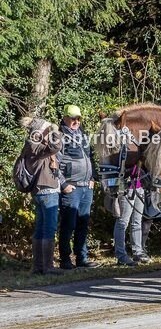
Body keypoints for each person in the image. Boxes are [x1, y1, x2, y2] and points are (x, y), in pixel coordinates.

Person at [20, 117, 64, 275]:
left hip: (39, 192)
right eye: (45, 131)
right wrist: (55, 131)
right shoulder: (35, 146)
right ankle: (47, 267)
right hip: (47, 191)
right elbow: (56, 146)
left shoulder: (31, 146)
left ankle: (38, 266)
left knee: (40, 228)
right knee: (49, 229)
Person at [57, 105, 98, 269]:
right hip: (71, 187)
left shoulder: (83, 135)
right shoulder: (59, 136)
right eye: (73, 118)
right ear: (65, 118)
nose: (76, 121)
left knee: (83, 223)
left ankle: (82, 258)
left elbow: (91, 158)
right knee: (68, 225)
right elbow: (54, 164)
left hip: (86, 187)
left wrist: (93, 178)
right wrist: (64, 184)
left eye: (78, 118)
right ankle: (65, 259)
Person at [112, 163, 146, 266]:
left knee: (137, 220)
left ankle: (138, 252)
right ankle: (121, 255)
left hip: (140, 186)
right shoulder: (125, 150)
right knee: (123, 221)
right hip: (126, 187)